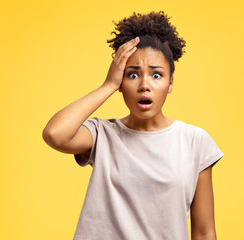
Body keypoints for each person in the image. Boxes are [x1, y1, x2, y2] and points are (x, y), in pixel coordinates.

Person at [42, 11, 224, 240]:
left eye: (156, 75)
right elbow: (54, 134)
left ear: (170, 83)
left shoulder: (195, 141)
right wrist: (107, 85)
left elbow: (205, 232)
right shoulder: (101, 134)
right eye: (132, 75)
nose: (145, 85)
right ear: (120, 81)